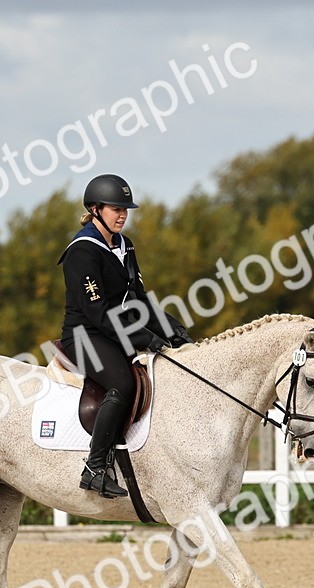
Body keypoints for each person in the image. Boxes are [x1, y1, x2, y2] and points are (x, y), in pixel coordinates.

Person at [59, 174, 193, 498]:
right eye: (115, 208)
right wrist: (145, 339)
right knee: (124, 384)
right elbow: (99, 313)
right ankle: (94, 468)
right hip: (83, 337)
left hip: (115, 333)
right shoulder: (82, 252)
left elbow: (139, 301)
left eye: (125, 209)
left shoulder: (125, 245)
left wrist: (175, 331)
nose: (122, 215)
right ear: (95, 209)